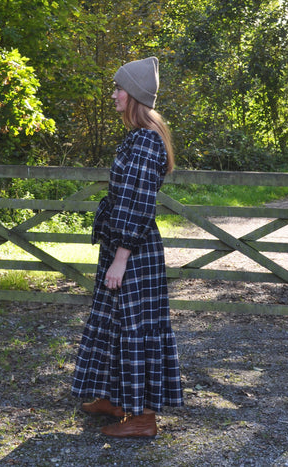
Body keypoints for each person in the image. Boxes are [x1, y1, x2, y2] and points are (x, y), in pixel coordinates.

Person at [72, 56, 184, 438]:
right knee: (116, 324)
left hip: (133, 253)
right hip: (125, 248)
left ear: (134, 94)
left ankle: (143, 419)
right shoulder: (140, 138)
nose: (114, 95)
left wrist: (120, 258)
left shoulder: (146, 141)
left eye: (119, 88)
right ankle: (115, 398)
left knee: (139, 328)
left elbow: (137, 204)